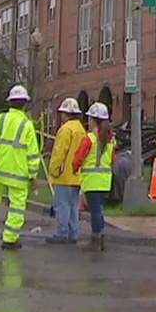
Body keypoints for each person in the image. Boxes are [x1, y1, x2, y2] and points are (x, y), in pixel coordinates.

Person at [0, 85, 42, 250]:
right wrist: (33, 176)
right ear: (25, 104)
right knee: (16, 208)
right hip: (18, 175)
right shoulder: (26, 125)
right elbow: (33, 155)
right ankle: (9, 240)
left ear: (9, 102)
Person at [71, 101, 115, 251]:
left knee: (95, 211)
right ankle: (100, 239)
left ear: (92, 120)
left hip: (92, 181)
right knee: (99, 210)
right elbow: (112, 160)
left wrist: (74, 168)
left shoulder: (89, 138)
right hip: (105, 181)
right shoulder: (110, 139)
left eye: (89, 118)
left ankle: (95, 240)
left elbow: (78, 158)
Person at [46, 97, 86, 245]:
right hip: (76, 176)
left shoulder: (65, 130)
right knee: (73, 206)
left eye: (62, 113)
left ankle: (61, 233)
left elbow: (59, 152)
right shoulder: (81, 129)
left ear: (66, 114)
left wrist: (53, 170)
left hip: (64, 175)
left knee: (62, 206)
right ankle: (73, 233)